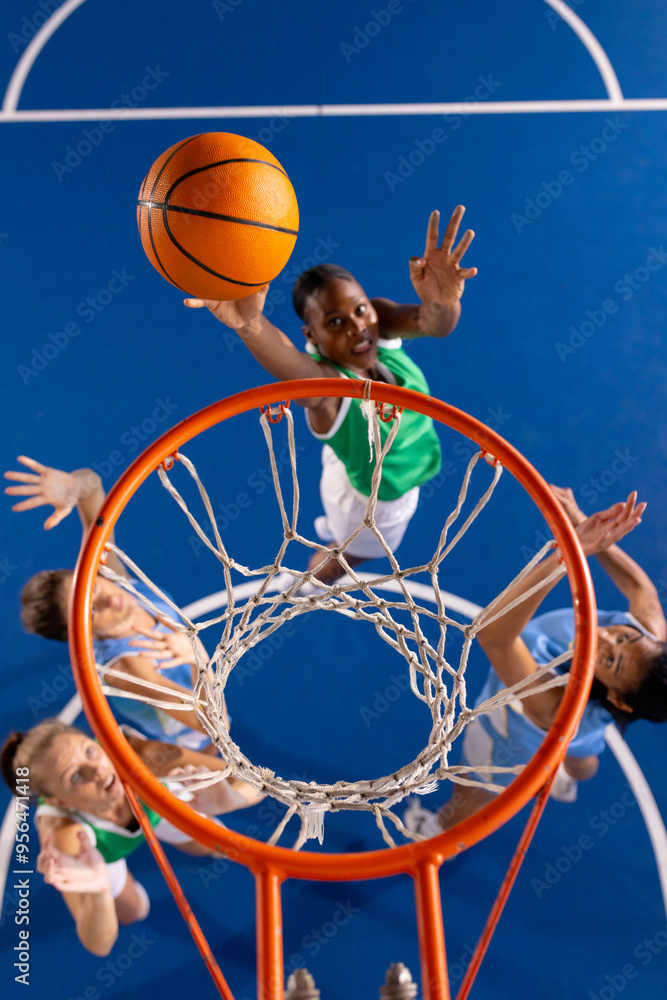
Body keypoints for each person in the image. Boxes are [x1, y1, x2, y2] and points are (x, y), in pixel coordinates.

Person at [185, 206, 477, 584]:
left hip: (359, 454)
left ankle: (330, 524)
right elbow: (292, 366)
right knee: (351, 553)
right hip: (369, 503)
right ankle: (311, 579)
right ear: (312, 337)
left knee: (350, 440)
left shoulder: (378, 323)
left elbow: (434, 325)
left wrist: (441, 302)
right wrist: (251, 325)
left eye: (360, 309)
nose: (357, 327)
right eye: (335, 322)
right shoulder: (327, 389)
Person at [404, 489, 667, 837]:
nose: (603, 636)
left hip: (509, 738)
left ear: (618, 698)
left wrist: (571, 553)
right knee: (583, 759)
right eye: (623, 637)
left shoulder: (551, 709)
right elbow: (638, 586)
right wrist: (581, 520)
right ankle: (568, 771)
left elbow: (494, 636)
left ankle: (438, 828)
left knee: (471, 787)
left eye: (610, 659)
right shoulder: (648, 636)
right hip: (588, 729)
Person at [5, 456, 224, 759]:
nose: (108, 599)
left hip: (204, 699)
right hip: (199, 746)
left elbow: (92, 489)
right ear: (79, 633)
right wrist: (197, 656)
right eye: (92, 611)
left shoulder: (115, 579)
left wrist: (74, 485)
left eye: (92, 588)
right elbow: (215, 725)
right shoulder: (127, 665)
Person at [1, 719, 262, 955]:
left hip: (153, 806)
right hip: (101, 851)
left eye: (90, 751)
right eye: (77, 776)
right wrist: (98, 890)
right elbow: (99, 944)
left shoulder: (137, 755)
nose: (98, 770)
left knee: (214, 843)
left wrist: (233, 799)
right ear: (58, 800)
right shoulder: (66, 835)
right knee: (133, 911)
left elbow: (254, 778)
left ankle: (204, 832)